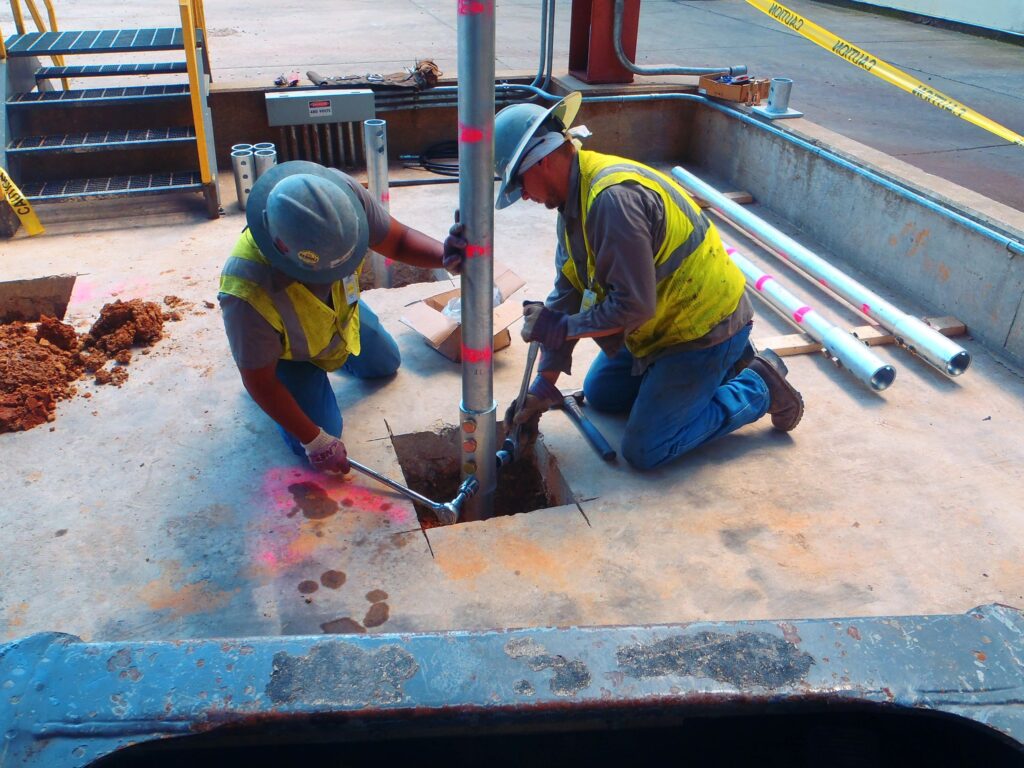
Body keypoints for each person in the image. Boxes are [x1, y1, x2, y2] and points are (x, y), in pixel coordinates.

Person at [494, 93, 804, 470]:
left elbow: (633, 307)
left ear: (541, 159)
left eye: (519, 182)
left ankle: (759, 386)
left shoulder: (611, 200)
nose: (523, 195)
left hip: (702, 328)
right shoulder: (573, 207)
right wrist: (544, 386)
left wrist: (564, 327)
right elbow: (566, 296)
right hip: (659, 328)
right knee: (602, 395)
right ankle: (706, 377)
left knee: (647, 449)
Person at [219, 160, 465, 474]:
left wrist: (446, 255)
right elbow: (259, 382)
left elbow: (399, 240)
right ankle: (291, 377)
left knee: (385, 363)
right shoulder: (246, 291)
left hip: (341, 315)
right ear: (282, 250)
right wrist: (315, 440)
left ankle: (335, 348)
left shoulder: (342, 198)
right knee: (320, 434)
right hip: (290, 353)